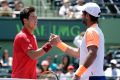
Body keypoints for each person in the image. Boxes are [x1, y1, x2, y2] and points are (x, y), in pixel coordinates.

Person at [49, 2, 106, 80]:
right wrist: (58, 44)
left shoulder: (91, 31)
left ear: (87, 16)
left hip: (92, 77)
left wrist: (78, 74)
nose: (81, 16)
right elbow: (78, 53)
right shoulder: (95, 30)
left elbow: (92, 54)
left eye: (82, 14)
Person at [12, 6, 52, 79]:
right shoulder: (22, 36)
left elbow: (33, 57)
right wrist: (50, 44)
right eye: (33, 17)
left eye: (36, 17)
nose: (36, 19)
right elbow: (34, 55)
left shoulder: (33, 37)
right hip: (20, 78)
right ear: (25, 20)